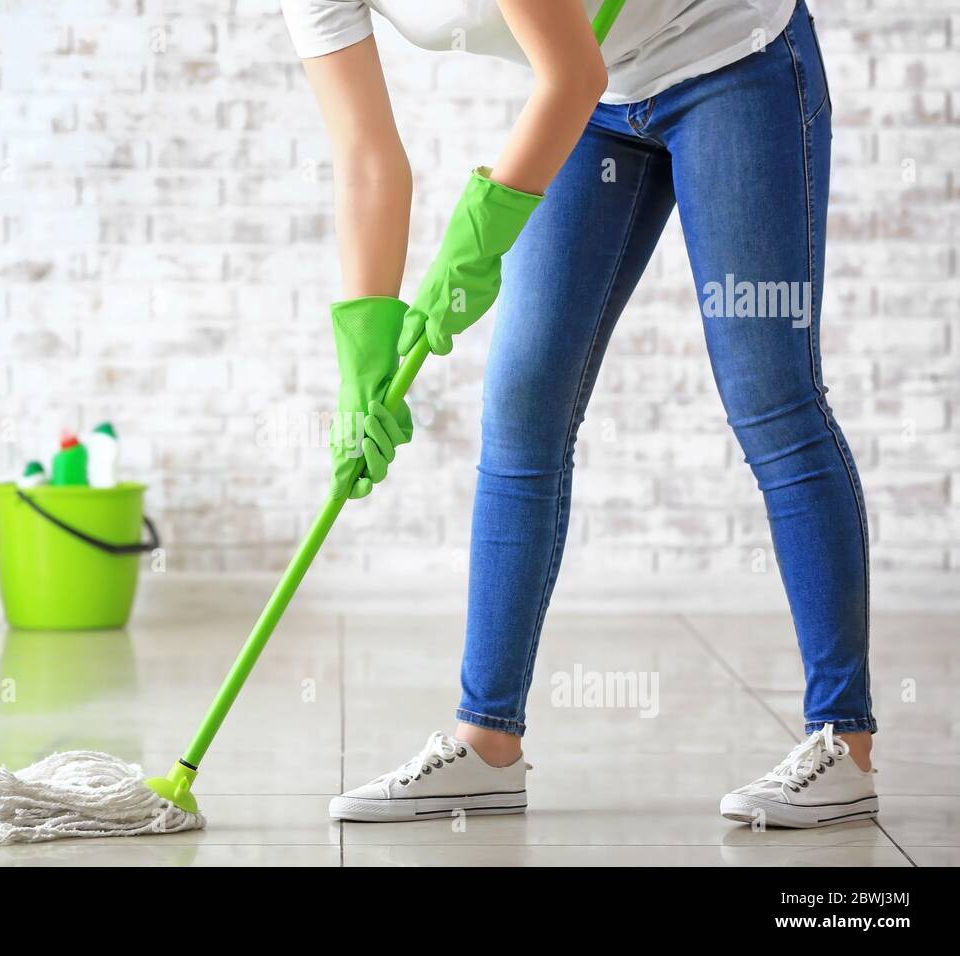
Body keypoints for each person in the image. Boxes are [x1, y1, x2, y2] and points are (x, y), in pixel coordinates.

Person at [282, 0, 878, 829]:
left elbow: (568, 70)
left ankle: (843, 741)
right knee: (524, 402)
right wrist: (362, 355)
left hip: (732, 56)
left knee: (769, 396)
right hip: (596, 105)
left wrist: (477, 240)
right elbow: (365, 157)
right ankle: (487, 743)